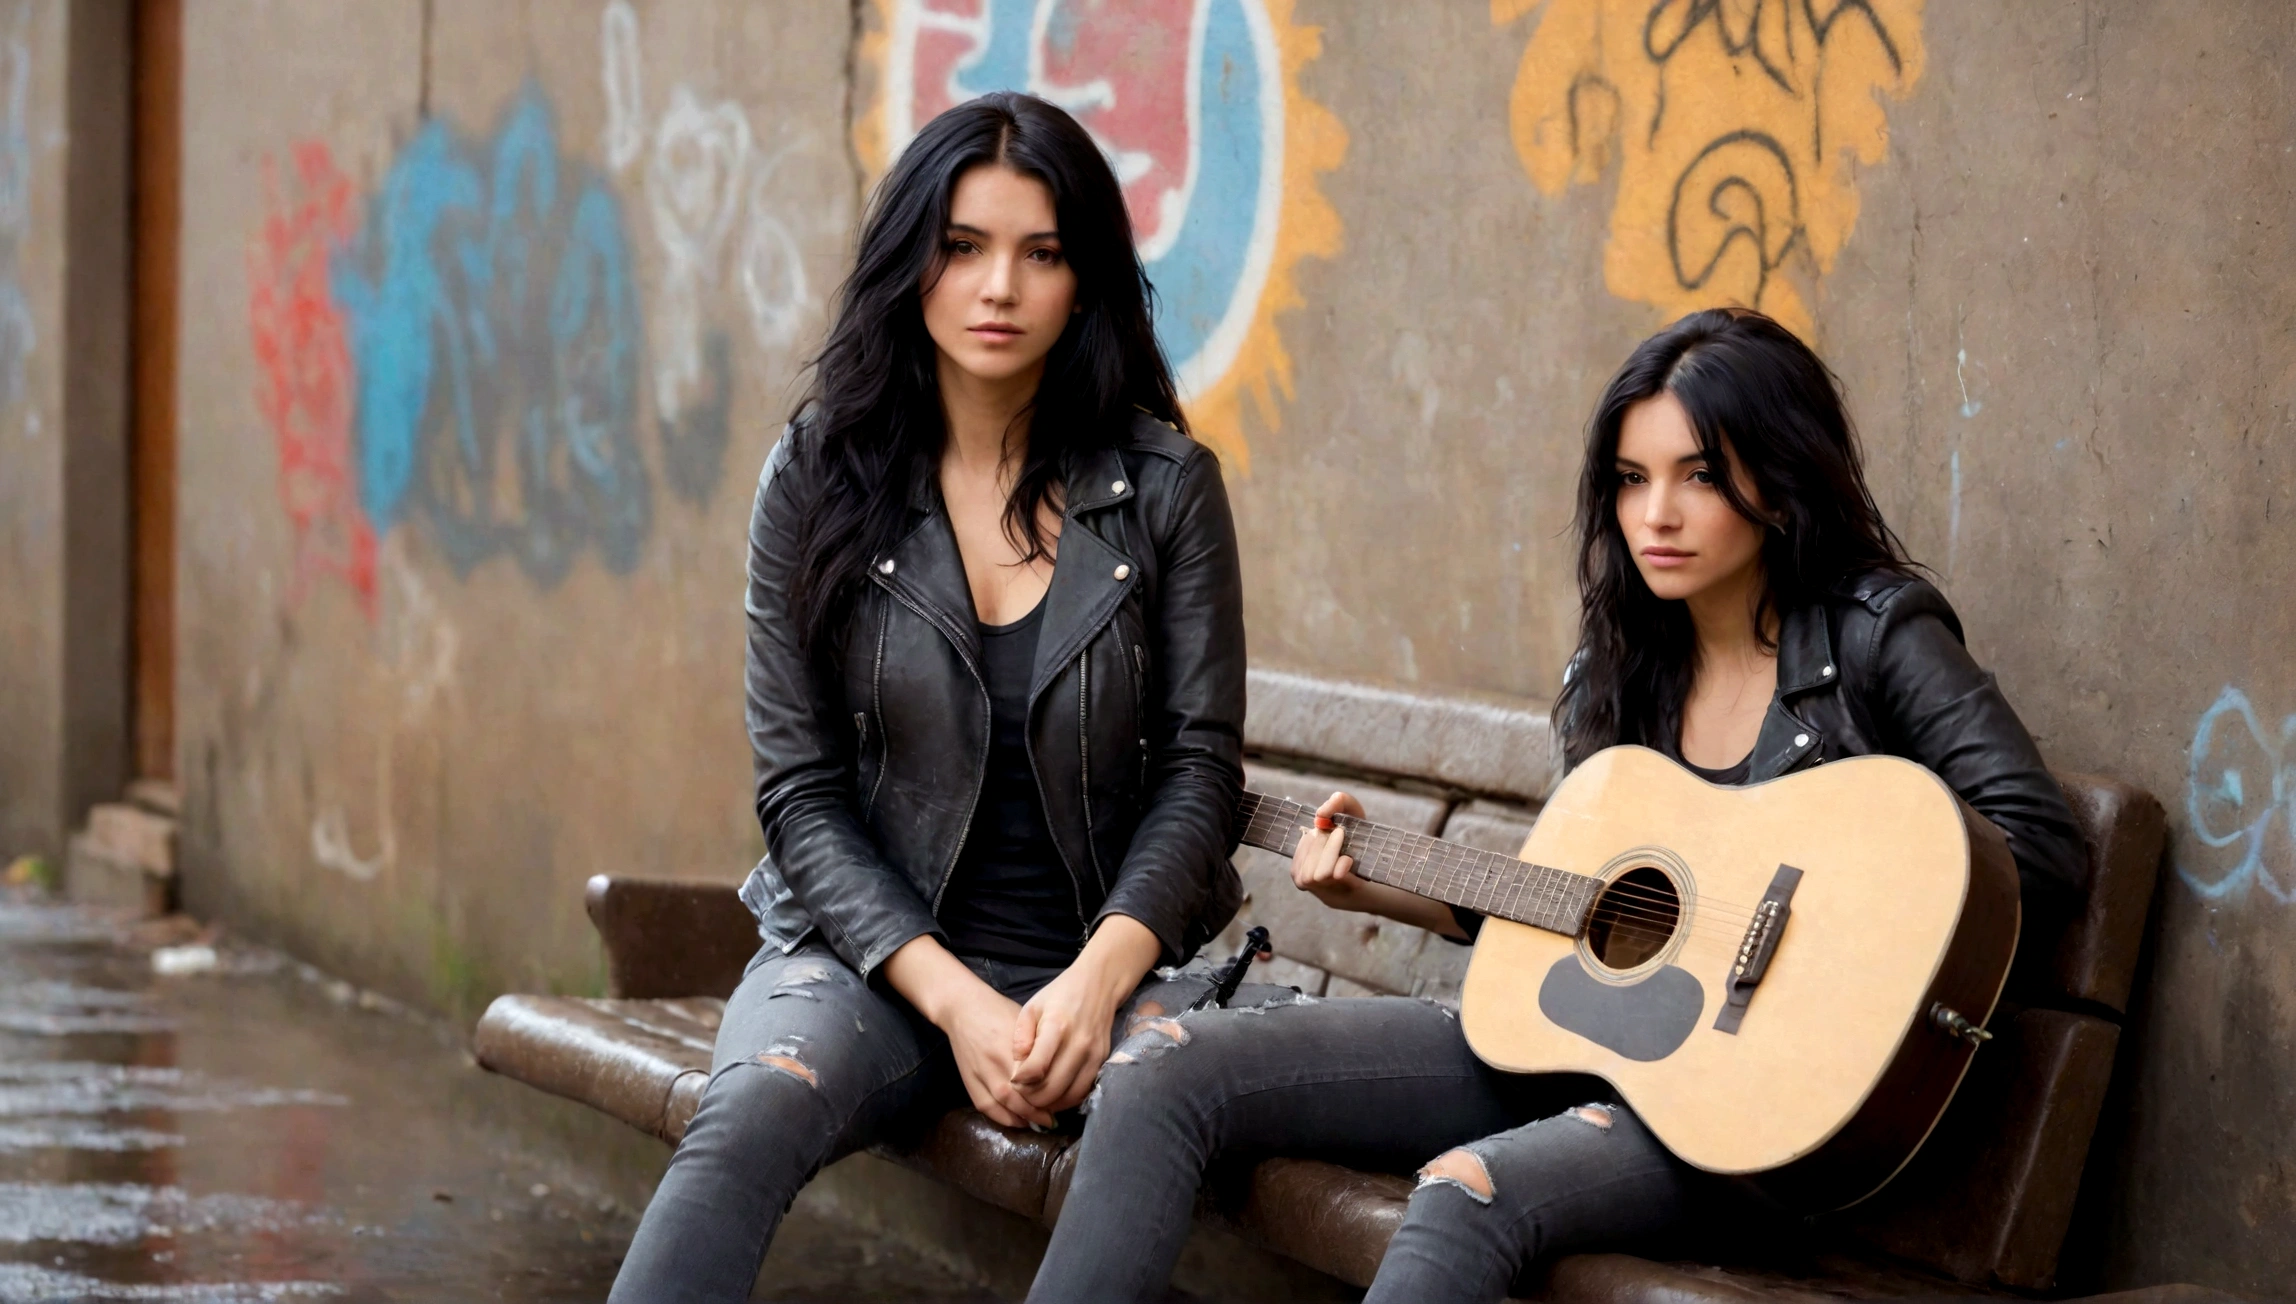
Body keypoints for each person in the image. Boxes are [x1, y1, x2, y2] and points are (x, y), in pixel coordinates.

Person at [1026, 308, 2087, 1302]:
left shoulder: (1873, 634)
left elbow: (2035, 844)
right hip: (1582, 1059)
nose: (1653, 514)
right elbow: (1590, 918)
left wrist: (1819, 945)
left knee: (1461, 1192)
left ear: (1781, 475)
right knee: (1167, 1067)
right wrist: (1379, 887)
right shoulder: (1616, 673)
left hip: (1750, 1121)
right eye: (1629, 479)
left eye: (1698, 476)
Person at [608, 92, 1256, 1303]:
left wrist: (1094, 982)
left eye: (1041, 252)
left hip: (1101, 979)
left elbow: (1200, 775)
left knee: (1167, 1098)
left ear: (1086, 280)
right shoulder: (816, 478)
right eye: (962, 246)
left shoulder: (1165, 489)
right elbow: (799, 794)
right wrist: (956, 1001)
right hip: (876, 973)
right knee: (752, 1104)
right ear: (911, 262)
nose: (997, 285)